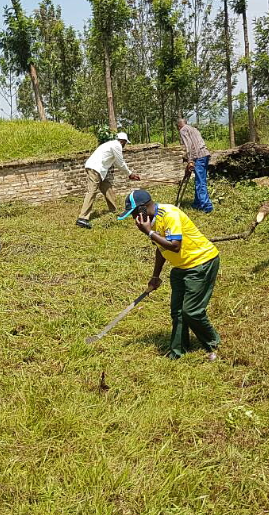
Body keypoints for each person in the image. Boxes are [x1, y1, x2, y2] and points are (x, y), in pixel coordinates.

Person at [119, 189, 221, 361]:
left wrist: (148, 232)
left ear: (142, 209)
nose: (133, 218)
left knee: (192, 311)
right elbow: (161, 249)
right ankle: (178, 350)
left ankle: (213, 343)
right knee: (177, 312)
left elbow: (174, 246)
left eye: (134, 213)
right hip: (181, 267)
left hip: (201, 263)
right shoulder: (153, 220)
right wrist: (155, 276)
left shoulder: (169, 214)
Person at [77, 132, 141, 229]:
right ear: (123, 141)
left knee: (107, 188)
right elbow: (121, 162)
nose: (124, 145)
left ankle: (114, 211)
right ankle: (82, 218)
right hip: (95, 169)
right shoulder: (117, 146)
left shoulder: (111, 145)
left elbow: (116, 162)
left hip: (99, 171)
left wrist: (129, 174)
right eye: (125, 143)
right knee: (92, 192)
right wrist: (130, 174)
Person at [177, 118, 213, 213]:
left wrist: (190, 160)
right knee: (200, 180)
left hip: (198, 157)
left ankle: (206, 206)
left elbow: (189, 146)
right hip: (205, 154)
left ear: (179, 126)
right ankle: (197, 203)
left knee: (200, 182)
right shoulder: (194, 129)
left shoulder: (183, 130)